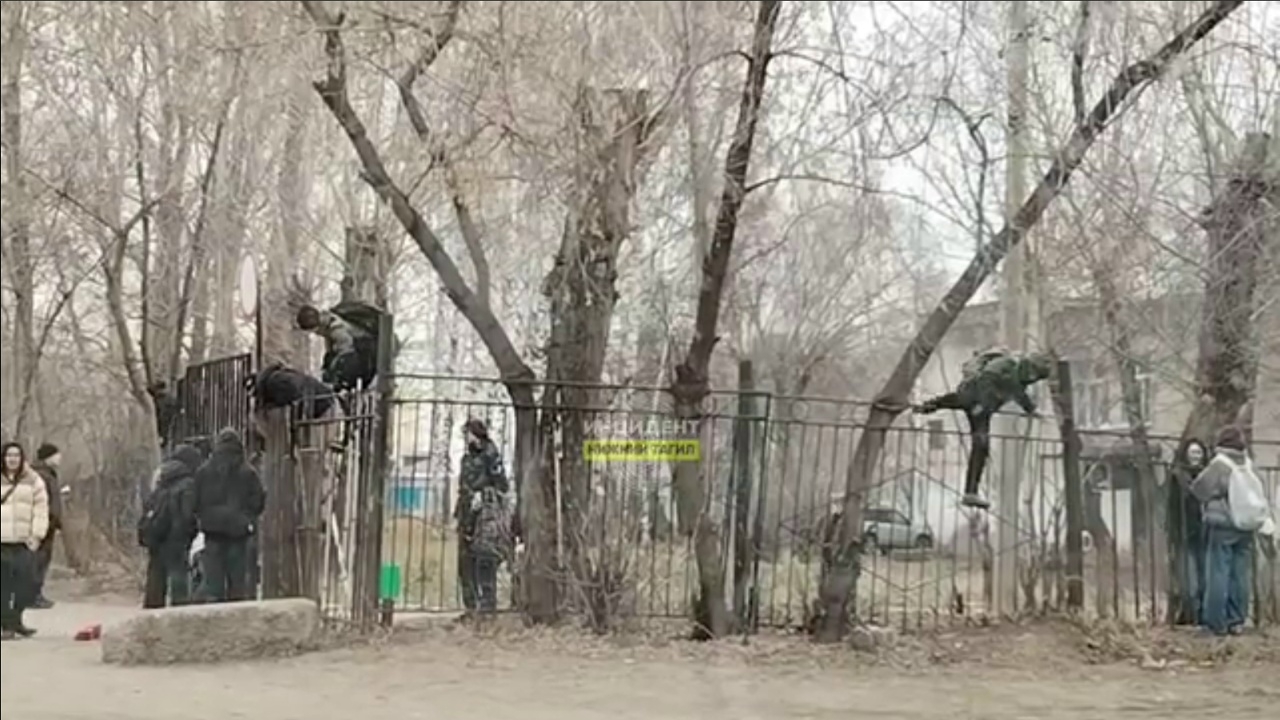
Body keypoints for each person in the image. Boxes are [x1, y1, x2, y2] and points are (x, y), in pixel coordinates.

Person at [915, 349, 1054, 508]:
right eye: (1033, 373)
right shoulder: (1007, 364)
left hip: (982, 407)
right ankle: (924, 407)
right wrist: (982, 404)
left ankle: (970, 493)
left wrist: (1033, 410)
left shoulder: (1019, 381)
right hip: (974, 396)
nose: (1032, 378)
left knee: (981, 446)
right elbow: (985, 379)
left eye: (1036, 377)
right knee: (961, 406)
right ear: (1028, 365)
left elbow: (1020, 395)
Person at [1191, 425, 1272, 636]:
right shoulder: (1247, 464)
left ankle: (1215, 622)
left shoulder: (1220, 464)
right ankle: (1236, 620)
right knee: (1240, 574)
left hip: (1222, 524)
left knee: (1218, 572)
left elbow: (1199, 489)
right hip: (1245, 524)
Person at [193, 429, 266, 602]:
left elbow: (195, 500)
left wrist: (204, 516)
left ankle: (215, 609)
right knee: (237, 580)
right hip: (238, 532)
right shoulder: (248, 472)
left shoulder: (204, 471)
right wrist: (247, 517)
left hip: (212, 532)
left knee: (213, 582)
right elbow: (258, 500)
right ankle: (236, 609)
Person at [454, 419, 511, 617]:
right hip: (466, 513)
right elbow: (463, 486)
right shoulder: (467, 458)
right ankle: (471, 608)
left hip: (485, 516)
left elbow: (502, 486)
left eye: (467, 433)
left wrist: (484, 495)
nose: (465, 438)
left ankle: (487, 609)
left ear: (475, 434)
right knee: (465, 562)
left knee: (485, 559)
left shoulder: (491, 454)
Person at [138, 444, 202, 609]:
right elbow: (187, 514)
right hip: (176, 538)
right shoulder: (188, 483)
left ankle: (151, 612)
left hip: (157, 534)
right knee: (178, 578)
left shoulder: (161, 478)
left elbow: (149, 504)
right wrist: (190, 532)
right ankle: (178, 613)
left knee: (155, 576)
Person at [1, 441, 50, 640]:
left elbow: (41, 508)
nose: (12, 459)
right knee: (3, 586)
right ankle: (7, 625)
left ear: (22, 458)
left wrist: (37, 534)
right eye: (9, 455)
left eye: (16, 455)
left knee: (27, 585)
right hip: (2, 541)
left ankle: (15, 620)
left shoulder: (33, 480)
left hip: (23, 542)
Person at [1167, 437, 1209, 626]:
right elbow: (1172, 506)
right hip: (1185, 532)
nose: (1196, 456)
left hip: (1205, 533)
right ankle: (1191, 613)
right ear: (1185, 454)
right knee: (1188, 578)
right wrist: (1173, 531)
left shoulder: (1208, 474)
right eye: (1193, 452)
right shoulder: (1177, 476)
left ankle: (1202, 614)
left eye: (1199, 452)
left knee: (1204, 576)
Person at [29, 443, 64, 610]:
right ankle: (32, 595)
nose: (59, 458)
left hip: (49, 523)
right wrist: (49, 519)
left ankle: (36, 593)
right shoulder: (40, 475)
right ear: (48, 457)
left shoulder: (49, 474)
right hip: (42, 523)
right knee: (38, 560)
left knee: (43, 560)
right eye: (56, 455)